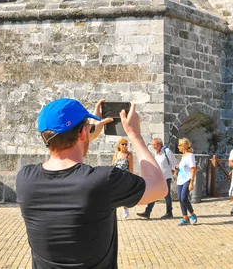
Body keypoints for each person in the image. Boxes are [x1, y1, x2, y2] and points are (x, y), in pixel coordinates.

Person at [16, 98, 166, 268]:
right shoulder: (103, 181)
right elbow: (160, 187)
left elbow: (65, 160)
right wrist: (135, 135)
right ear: (81, 133)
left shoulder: (25, 179)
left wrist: (86, 133)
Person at [137, 137, 177, 219]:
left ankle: (169, 212)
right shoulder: (156, 153)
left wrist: (173, 174)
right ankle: (147, 212)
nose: (154, 146)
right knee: (154, 193)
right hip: (157, 177)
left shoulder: (167, 151)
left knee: (166, 195)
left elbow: (174, 164)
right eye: (153, 145)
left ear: (160, 144)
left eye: (155, 144)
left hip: (166, 177)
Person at [175, 138, 198, 226]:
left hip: (187, 179)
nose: (178, 147)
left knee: (184, 198)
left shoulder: (190, 155)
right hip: (180, 180)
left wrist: (192, 182)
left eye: (179, 145)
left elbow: (193, 169)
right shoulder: (183, 156)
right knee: (180, 199)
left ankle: (192, 214)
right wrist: (177, 167)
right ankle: (185, 218)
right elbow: (183, 166)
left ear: (183, 146)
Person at [111, 138, 134, 219]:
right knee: (114, 196)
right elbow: (112, 166)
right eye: (123, 144)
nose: (124, 146)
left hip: (125, 178)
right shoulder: (116, 154)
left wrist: (131, 179)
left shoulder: (129, 155)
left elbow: (131, 169)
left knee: (123, 195)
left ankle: (125, 208)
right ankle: (114, 213)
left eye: (126, 144)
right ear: (119, 145)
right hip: (116, 178)